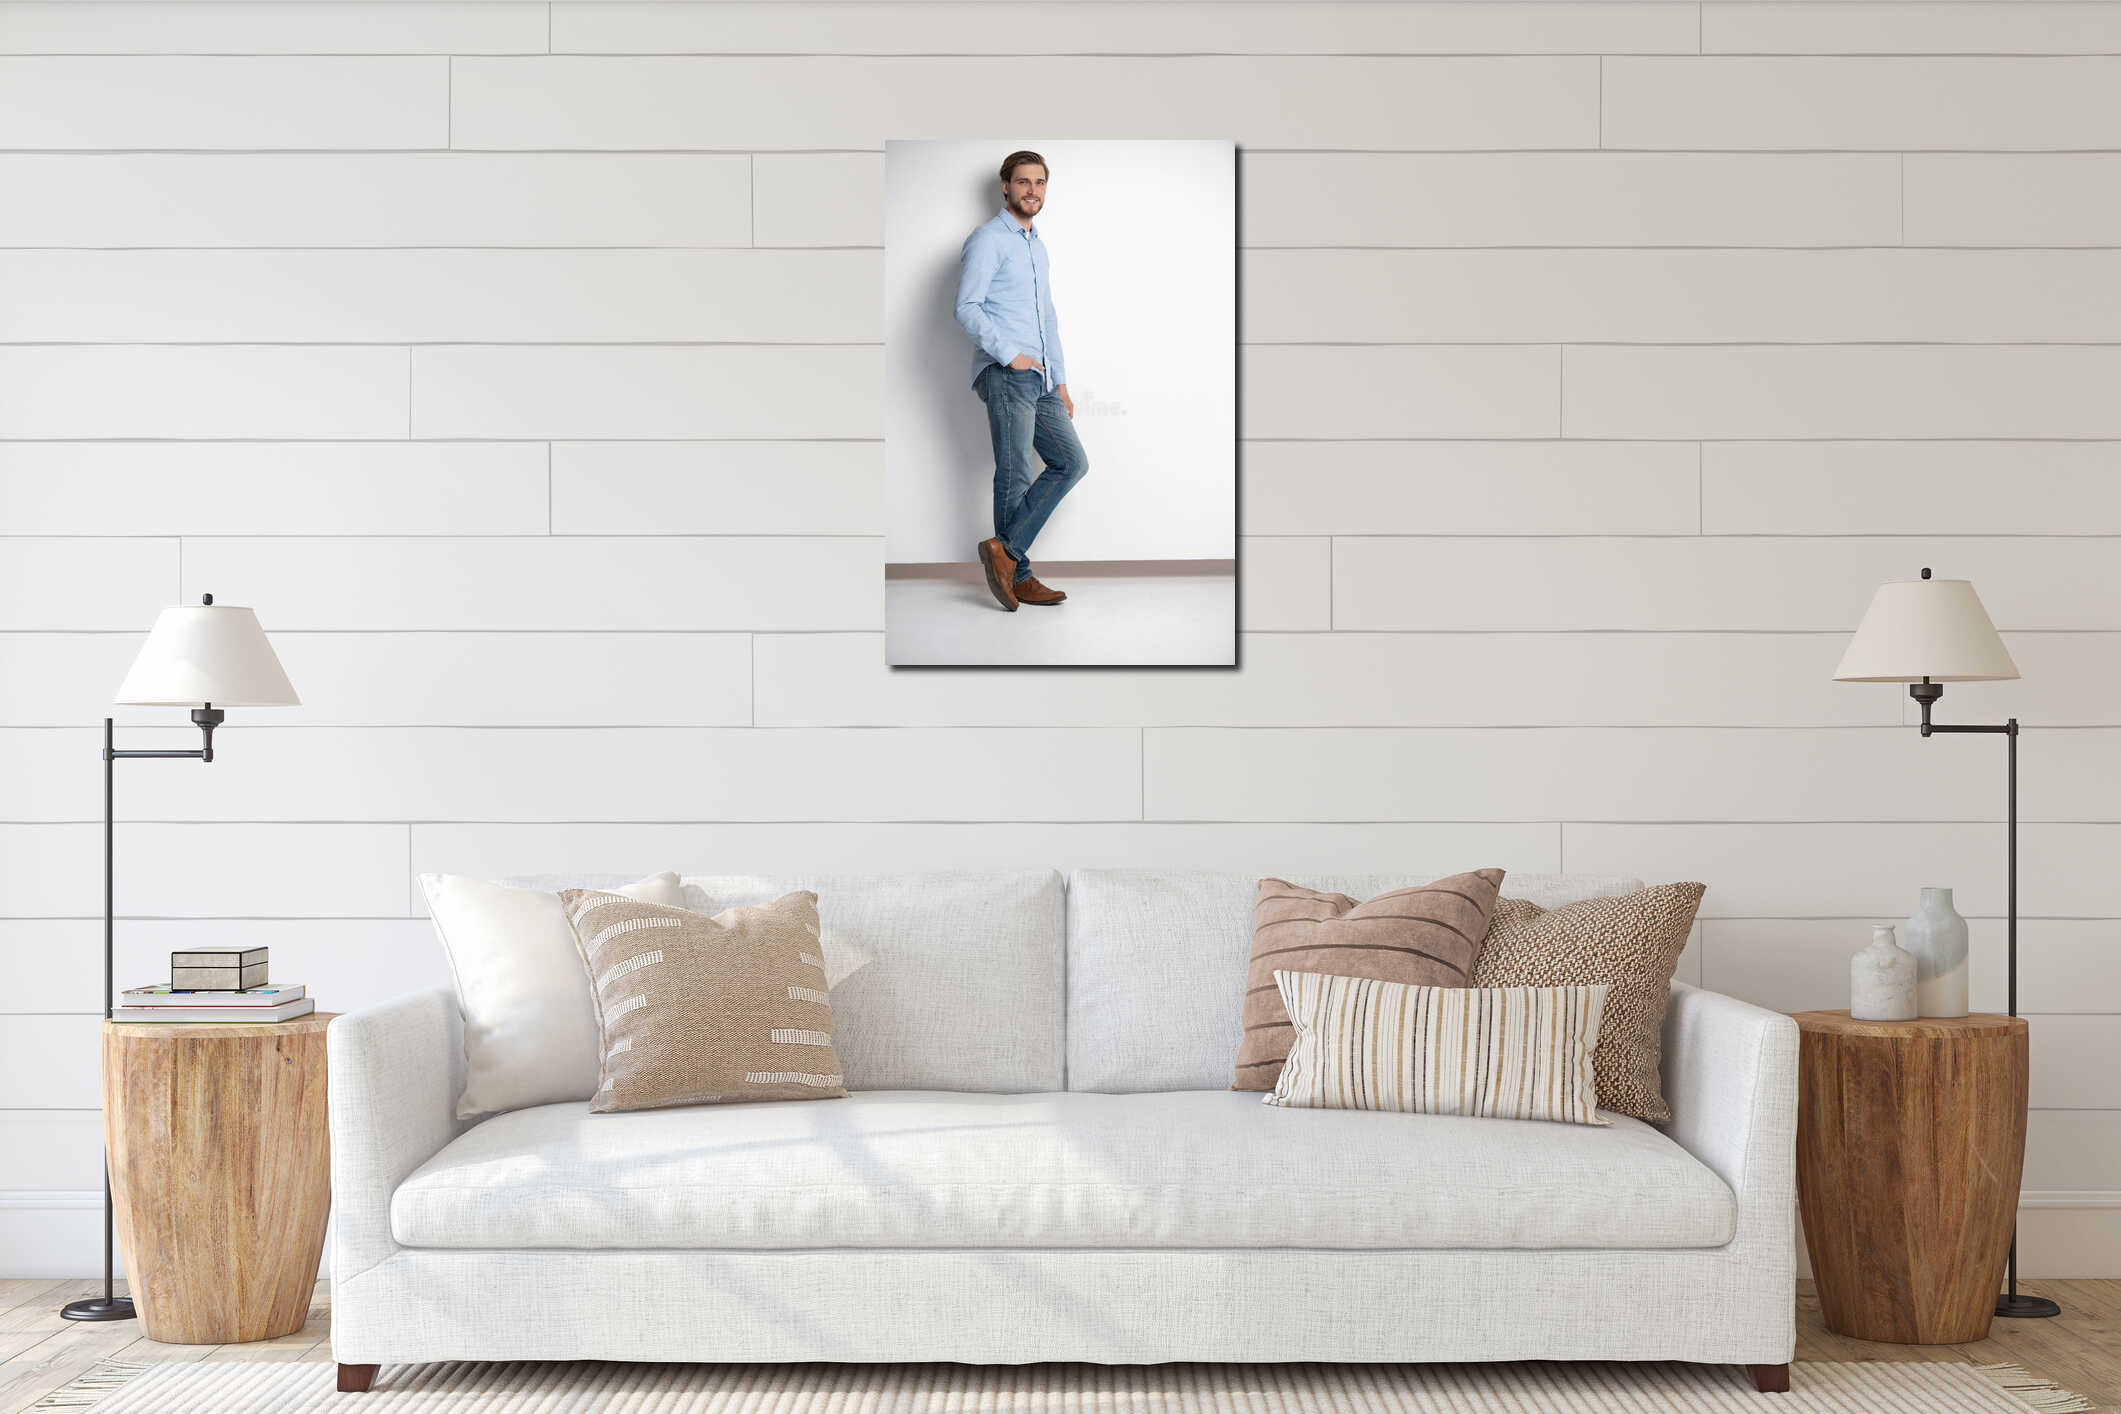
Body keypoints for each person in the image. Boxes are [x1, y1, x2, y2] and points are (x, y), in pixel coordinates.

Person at [954, 149, 1089, 611]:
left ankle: (1007, 555)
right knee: (1014, 474)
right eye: (1023, 182)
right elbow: (966, 307)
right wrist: (1011, 357)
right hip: (1007, 373)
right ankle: (1018, 571)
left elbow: (1047, 316)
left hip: (1043, 377)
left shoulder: (1036, 244)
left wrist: (1062, 380)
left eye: (1040, 182)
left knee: (1070, 463)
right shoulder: (988, 239)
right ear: (1005, 187)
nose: (1032, 190)